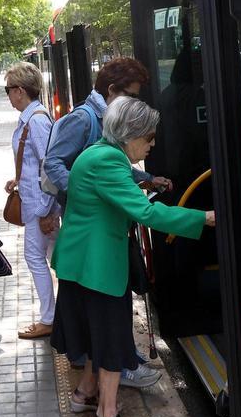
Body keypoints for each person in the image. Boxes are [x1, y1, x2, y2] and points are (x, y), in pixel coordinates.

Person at [51, 96, 215, 417]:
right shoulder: (110, 162)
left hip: (80, 262)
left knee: (97, 334)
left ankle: (86, 392)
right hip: (97, 265)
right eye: (150, 136)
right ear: (130, 135)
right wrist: (204, 218)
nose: (153, 144)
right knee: (111, 340)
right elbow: (149, 215)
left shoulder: (98, 153)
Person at [42, 56, 170, 388]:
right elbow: (53, 162)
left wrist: (147, 177)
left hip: (108, 222)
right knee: (108, 301)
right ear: (111, 90)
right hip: (93, 225)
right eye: (130, 95)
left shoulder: (110, 119)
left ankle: (116, 361)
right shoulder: (84, 119)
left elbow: (116, 168)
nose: (134, 103)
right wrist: (86, 191)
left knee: (117, 295)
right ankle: (116, 368)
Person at [2, 63, 58, 339]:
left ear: (20, 91)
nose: (8, 96)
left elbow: (50, 166)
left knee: (35, 257)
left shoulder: (36, 121)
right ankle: (62, 314)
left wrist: (47, 210)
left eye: (8, 90)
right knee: (53, 256)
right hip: (38, 203)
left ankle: (50, 318)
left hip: (40, 205)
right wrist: (19, 179)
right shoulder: (33, 118)